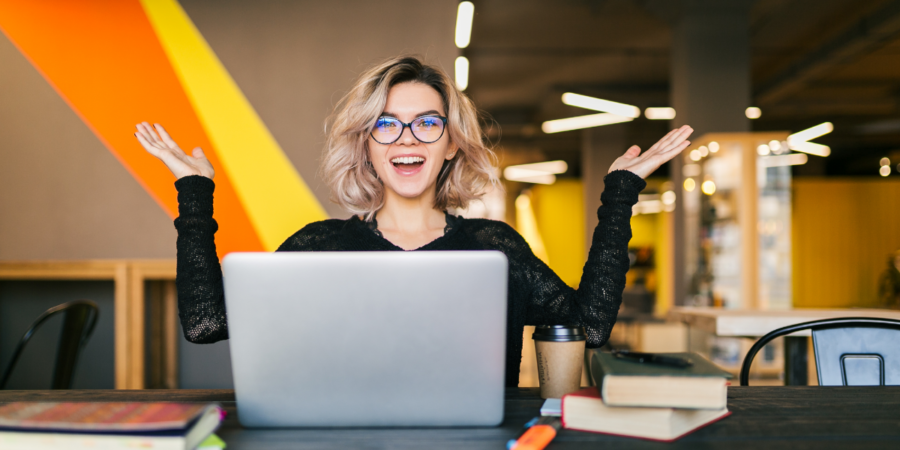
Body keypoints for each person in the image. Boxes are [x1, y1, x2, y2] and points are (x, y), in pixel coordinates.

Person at [134, 56, 693, 387]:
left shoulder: (492, 248)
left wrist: (621, 194)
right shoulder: (320, 247)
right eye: (387, 125)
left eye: (427, 123)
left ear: (451, 144)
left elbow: (589, 326)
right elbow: (206, 324)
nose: (406, 138)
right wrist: (194, 193)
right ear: (367, 147)